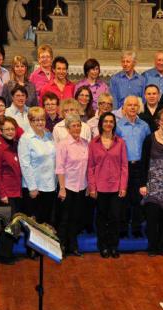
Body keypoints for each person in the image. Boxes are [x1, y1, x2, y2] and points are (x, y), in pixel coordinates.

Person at [88, 113, 128, 258]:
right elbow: (90, 167)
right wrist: (92, 187)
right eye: (106, 121)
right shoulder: (93, 143)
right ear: (101, 123)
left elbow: (124, 166)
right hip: (100, 188)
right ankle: (103, 246)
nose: (108, 124)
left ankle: (113, 246)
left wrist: (123, 186)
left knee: (115, 218)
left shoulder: (120, 142)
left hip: (116, 187)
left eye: (111, 122)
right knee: (101, 219)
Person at [140, 109, 163, 256]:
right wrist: (143, 184)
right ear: (158, 121)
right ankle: (152, 247)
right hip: (152, 182)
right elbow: (144, 162)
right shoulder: (149, 139)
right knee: (152, 218)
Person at [116, 96, 151, 238]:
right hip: (123, 167)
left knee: (138, 200)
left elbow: (148, 146)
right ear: (124, 108)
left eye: (135, 105)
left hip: (139, 167)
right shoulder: (118, 126)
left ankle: (137, 228)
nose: (132, 108)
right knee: (122, 200)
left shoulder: (144, 125)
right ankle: (122, 229)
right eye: (129, 105)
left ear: (139, 108)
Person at [0, 116, 22, 264]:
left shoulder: (15, 144)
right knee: (8, 225)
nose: (10, 131)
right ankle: (3, 255)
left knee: (12, 223)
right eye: (6, 129)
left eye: (12, 129)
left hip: (16, 190)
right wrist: (2, 194)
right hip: (5, 193)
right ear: (0, 131)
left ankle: (7, 252)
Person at [56, 114, 89, 257]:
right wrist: (62, 188)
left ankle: (73, 246)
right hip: (67, 187)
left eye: (79, 125)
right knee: (64, 219)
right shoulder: (63, 144)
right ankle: (61, 246)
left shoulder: (85, 143)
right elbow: (60, 167)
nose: (77, 128)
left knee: (76, 218)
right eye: (74, 126)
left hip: (81, 186)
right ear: (68, 128)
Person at [18, 107, 57, 227]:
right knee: (34, 224)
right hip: (35, 187)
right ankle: (32, 247)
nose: (40, 122)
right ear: (30, 121)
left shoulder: (49, 135)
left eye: (42, 119)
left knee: (46, 222)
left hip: (50, 185)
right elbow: (25, 164)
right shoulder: (25, 138)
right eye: (36, 120)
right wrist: (32, 187)